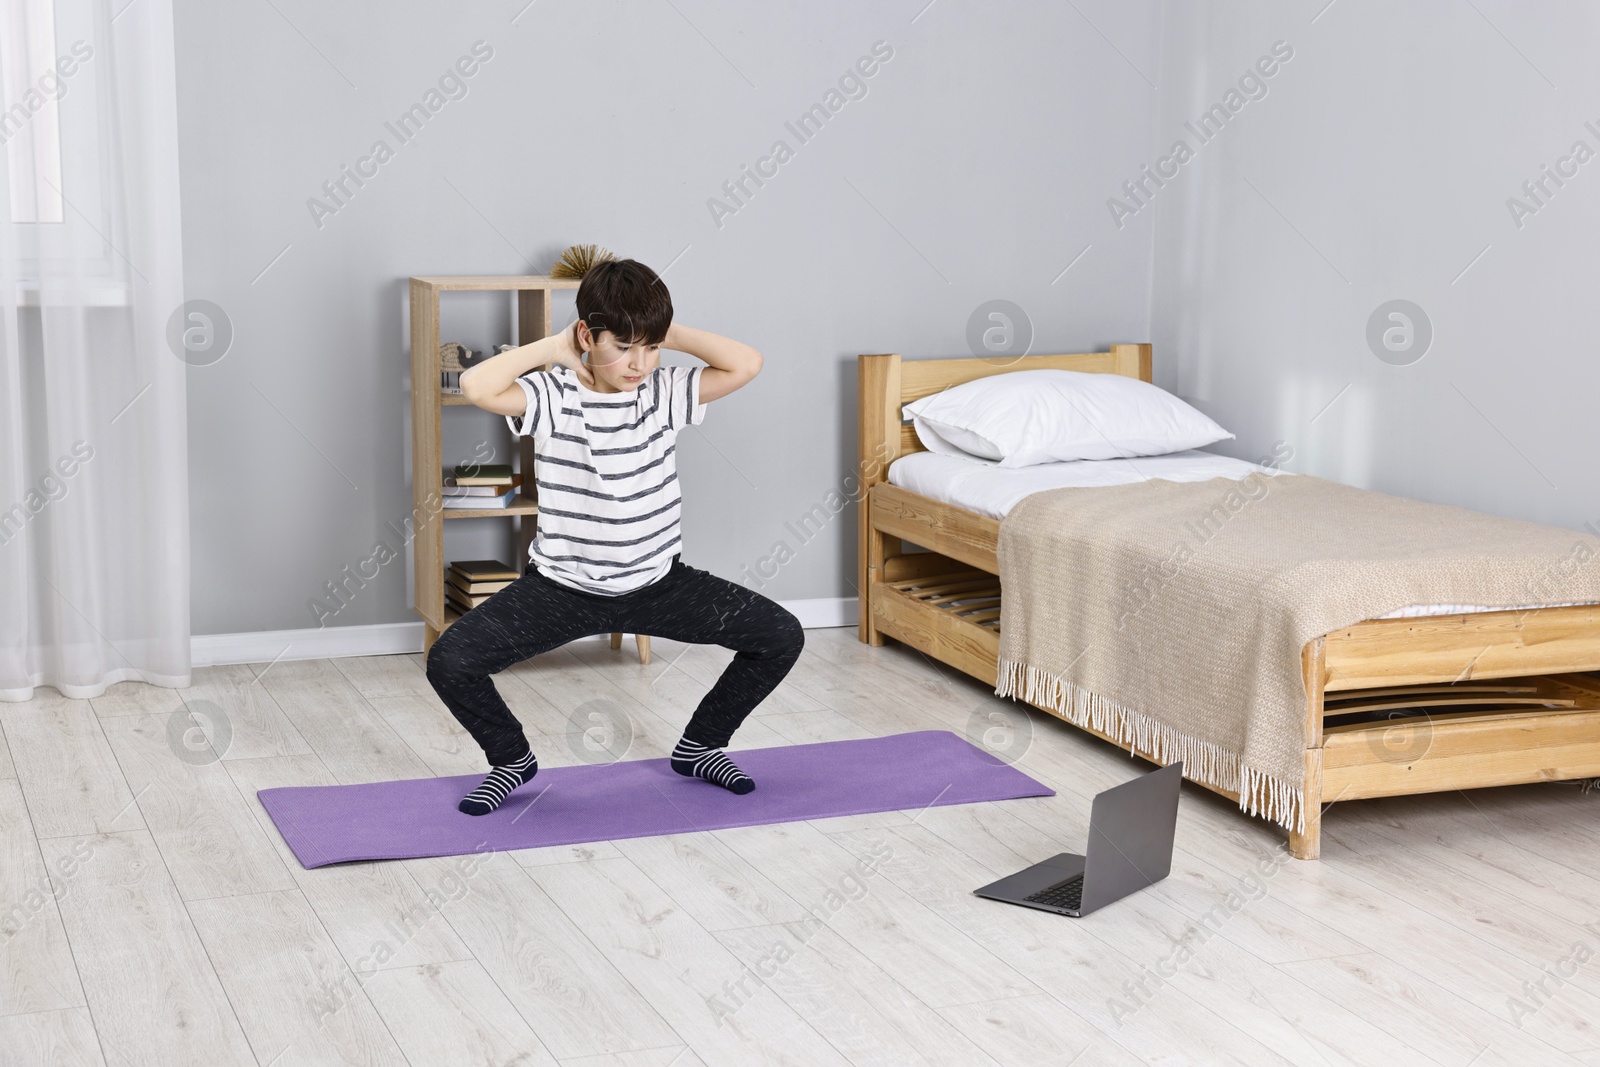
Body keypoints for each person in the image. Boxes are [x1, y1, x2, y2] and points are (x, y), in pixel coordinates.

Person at [425, 258, 804, 815]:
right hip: (561, 591)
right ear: (586, 334)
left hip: (659, 584)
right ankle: (512, 760)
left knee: (781, 635)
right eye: (622, 346)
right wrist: (555, 348)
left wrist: (659, 328)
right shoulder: (552, 396)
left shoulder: (665, 391)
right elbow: (478, 384)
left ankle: (701, 746)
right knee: (450, 661)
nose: (638, 363)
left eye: (649, 348)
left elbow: (747, 363)